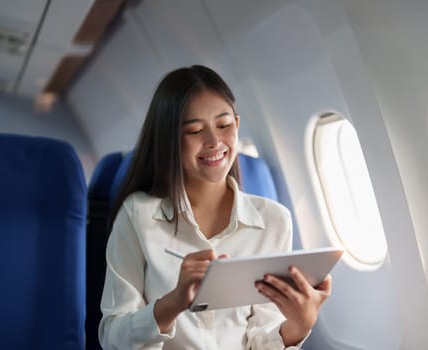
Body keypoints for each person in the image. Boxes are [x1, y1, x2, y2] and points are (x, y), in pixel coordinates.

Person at [99, 65, 332, 349]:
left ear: (236, 123)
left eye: (224, 126)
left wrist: (298, 325)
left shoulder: (273, 220)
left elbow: (262, 338)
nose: (214, 142)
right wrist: (173, 303)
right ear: (169, 139)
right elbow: (112, 338)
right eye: (195, 130)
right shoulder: (138, 215)